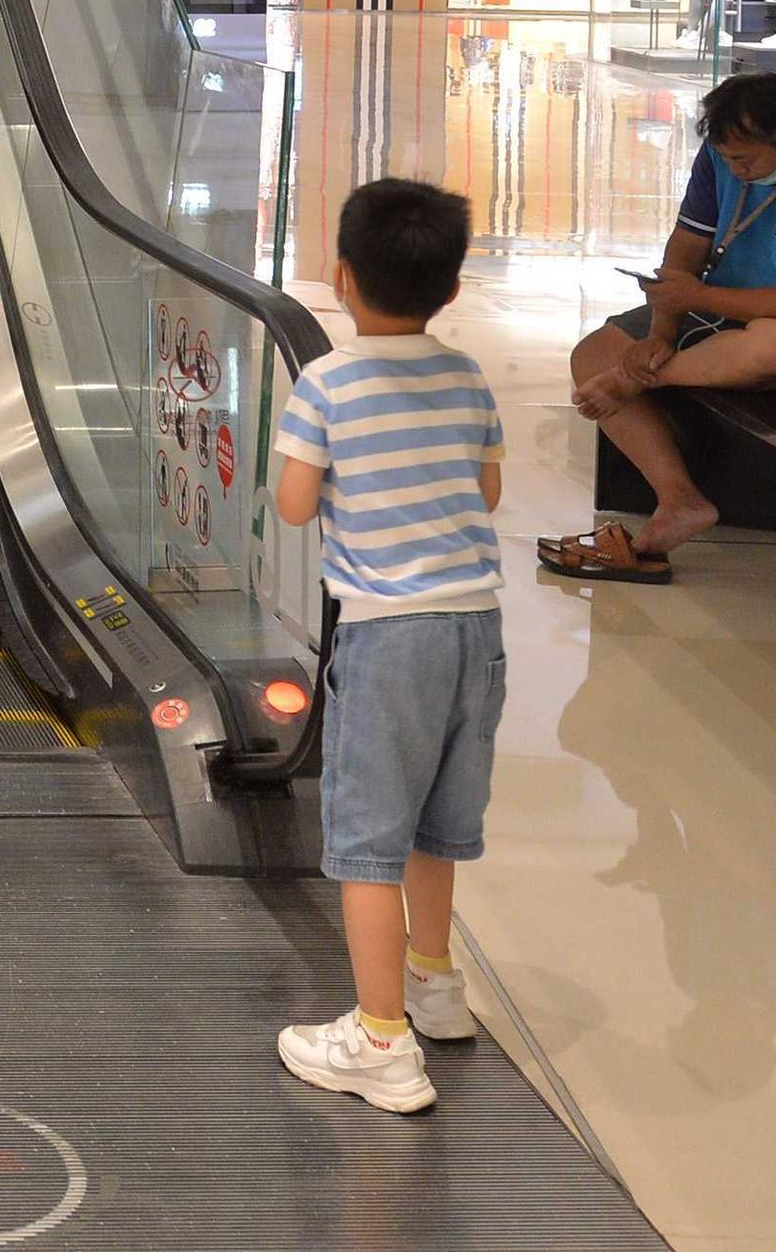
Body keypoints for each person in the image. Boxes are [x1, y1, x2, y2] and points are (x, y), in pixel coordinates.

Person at [271, 178, 504, 1116]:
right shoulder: (467, 376)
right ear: (451, 289)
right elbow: (485, 493)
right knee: (435, 830)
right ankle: (434, 988)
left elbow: (294, 503)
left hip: (387, 631)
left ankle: (379, 1042)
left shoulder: (327, 381)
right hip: (474, 629)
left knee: (366, 844)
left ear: (339, 277)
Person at [536, 71, 776, 582]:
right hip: (715, 308)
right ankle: (679, 498)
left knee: (775, 344)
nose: (733, 169)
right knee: (592, 356)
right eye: (725, 157)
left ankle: (648, 377)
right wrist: (660, 332)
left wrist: (648, 363)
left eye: (744, 160)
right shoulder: (723, 158)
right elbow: (686, 247)